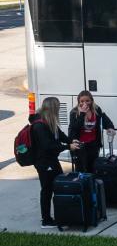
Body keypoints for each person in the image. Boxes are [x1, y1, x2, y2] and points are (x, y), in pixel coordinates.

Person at [33, 97, 80, 227]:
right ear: (53, 109)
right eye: (57, 108)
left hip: (52, 161)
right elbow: (48, 146)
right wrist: (67, 147)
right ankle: (46, 220)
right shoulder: (39, 126)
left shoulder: (49, 122)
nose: (59, 110)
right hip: (44, 163)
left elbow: (61, 136)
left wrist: (71, 141)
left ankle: (60, 214)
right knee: (47, 190)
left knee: (59, 186)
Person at [67, 90, 116, 173]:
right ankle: (83, 185)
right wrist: (82, 114)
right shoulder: (74, 112)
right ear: (78, 102)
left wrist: (110, 127)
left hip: (93, 144)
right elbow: (75, 127)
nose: (85, 103)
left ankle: (91, 184)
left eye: (87, 101)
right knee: (81, 169)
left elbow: (104, 119)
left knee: (92, 168)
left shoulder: (96, 109)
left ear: (91, 101)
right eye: (82, 101)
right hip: (80, 145)